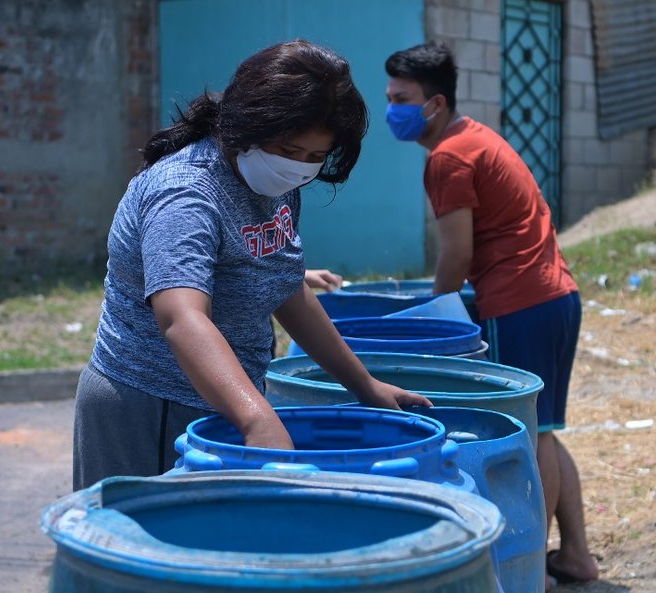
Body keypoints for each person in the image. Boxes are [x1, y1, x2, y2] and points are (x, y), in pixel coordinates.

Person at [73, 40, 431, 492]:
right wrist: (257, 417)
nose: (299, 167)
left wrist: (363, 385)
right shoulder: (186, 194)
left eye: (315, 157)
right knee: (143, 553)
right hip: (153, 405)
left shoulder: (274, 180)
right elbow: (181, 318)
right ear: (248, 124)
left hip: (224, 400)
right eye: (290, 149)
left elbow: (282, 285)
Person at [384, 42, 598, 589]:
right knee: (545, 427)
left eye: (401, 98)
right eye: (388, 96)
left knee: (531, 438)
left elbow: (456, 252)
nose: (391, 108)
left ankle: (531, 571)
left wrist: (435, 316)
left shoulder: (450, 157)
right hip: (556, 295)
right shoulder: (475, 136)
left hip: (519, 303)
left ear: (433, 103)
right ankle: (575, 557)